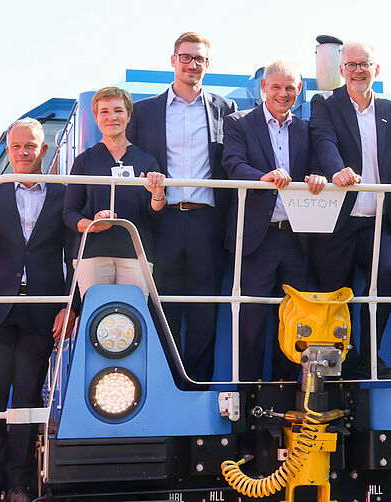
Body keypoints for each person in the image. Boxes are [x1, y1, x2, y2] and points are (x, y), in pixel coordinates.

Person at [309, 41, 391, 379]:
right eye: (351, 64)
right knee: (331, 289)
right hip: (337, 220)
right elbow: (323, 141)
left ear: (376, 70)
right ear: (341, 70)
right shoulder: (324, 104)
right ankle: (331, 364)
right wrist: (337, 169)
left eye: (364, 64)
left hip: (376, 221)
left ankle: (368, 357)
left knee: (385, 273)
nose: (358, 70)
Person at [0, 118, 75, 502]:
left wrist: (70, 307)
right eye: (16, 147)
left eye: (31, 146)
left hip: (41, 309)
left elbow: (73, 256)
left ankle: (19, 483)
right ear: (8, 151)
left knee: (28, 397)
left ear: (44, 150)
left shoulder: (64, 194)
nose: (23, 153)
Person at [125, 31, 238, 382]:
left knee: (205, 312)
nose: (193, 64)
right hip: (163, 222)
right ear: (173, 61)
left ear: (208, 64)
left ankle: (198, 387)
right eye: (186, 58)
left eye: (199, 59)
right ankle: (166, 384)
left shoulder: (226, 109)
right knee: (163, 309)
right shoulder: (143, 112)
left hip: (208, 222)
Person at [222, 60, 328, 381]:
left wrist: (318, 176)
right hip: (258, 238)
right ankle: (250, 401)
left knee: (295, 325)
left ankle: (285, 398)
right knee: (251, 323)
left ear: (299, 92)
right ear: (264, 88)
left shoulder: (306, 129)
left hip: (296, 240)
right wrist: (261, 176)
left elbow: (316, 166)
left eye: (290, 88)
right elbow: (232, 163)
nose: (284, 94)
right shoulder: (238, 123)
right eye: (277, 87)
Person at [63, 86, 165, 297]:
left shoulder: (147, 160)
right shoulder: (84, 161)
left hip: (136, 254)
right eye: (105, 111)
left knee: (132, 321)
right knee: (96, 320)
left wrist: (157, 194)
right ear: (96, 117)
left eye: (118, 110)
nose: (112, 117)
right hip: (93, 255)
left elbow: (155, 213)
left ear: (128, 115)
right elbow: (69, 214)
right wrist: (93, 226)